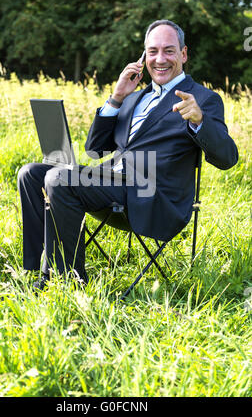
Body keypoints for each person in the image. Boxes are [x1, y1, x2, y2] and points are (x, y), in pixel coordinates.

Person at [17, 19, 238, 290]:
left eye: (169, 51)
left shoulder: (202, 99)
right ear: (143, 56)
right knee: (30, 173)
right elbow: (95, 149)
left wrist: (199, 122)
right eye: (152, 51)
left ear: (183, 54)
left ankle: (66, 282)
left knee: (59, 179)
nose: (160, 59)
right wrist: (117, 97)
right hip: (113, 184)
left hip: (154, 197)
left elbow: (227, 158)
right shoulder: (134, 98)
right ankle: (37, 271)